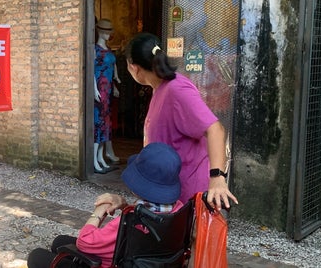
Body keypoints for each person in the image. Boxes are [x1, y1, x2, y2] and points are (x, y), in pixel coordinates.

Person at [97, 32, 238, 211]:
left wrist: (217, 178)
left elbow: (215, 129)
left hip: (189, 197)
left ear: (133, 68)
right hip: (169, 197)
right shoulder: (160, 89)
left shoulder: (177, 89)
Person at [27, 142, 184, 268]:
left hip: (113, 261)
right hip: (143, 258)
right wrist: (124, 205)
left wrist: (99, 211)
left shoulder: (131, 221)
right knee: (60, 241)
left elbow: (84, 241)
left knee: (37, 256)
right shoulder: (179, 210)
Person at [93, 18, 122, 173]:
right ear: (100, 31)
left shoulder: (108, 49)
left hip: (108, 90)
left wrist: (116, 82)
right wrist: (94, 89)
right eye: (106, 31)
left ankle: (101, 157)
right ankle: (94, 160)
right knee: (99, 123)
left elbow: (113, 65)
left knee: (106, 124)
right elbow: (91, 71)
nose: (108, 34)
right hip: (100, 90)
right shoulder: (95, 50)